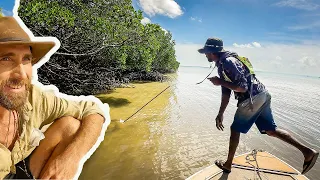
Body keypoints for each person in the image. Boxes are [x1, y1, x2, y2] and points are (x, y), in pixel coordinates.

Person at [0, 16, 108, 179]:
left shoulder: (33, 97)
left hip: (18, 169)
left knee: (70, 126)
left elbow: (92, 110)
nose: (22, 74)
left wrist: (70, 159)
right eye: (6, 59)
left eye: (26, 59)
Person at [198, 37, 319, 174]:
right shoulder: (225, 62)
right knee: (271, 130)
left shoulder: (228, 62)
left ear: (212, 51)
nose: (205, 55)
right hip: (262, 94)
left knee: (235, 129)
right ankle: (308, 152)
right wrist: (221, 112)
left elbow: (242, 88)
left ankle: (228, 164)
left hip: (252, 98)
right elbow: (226, 92)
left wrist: (220, 82)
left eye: (206, 52)